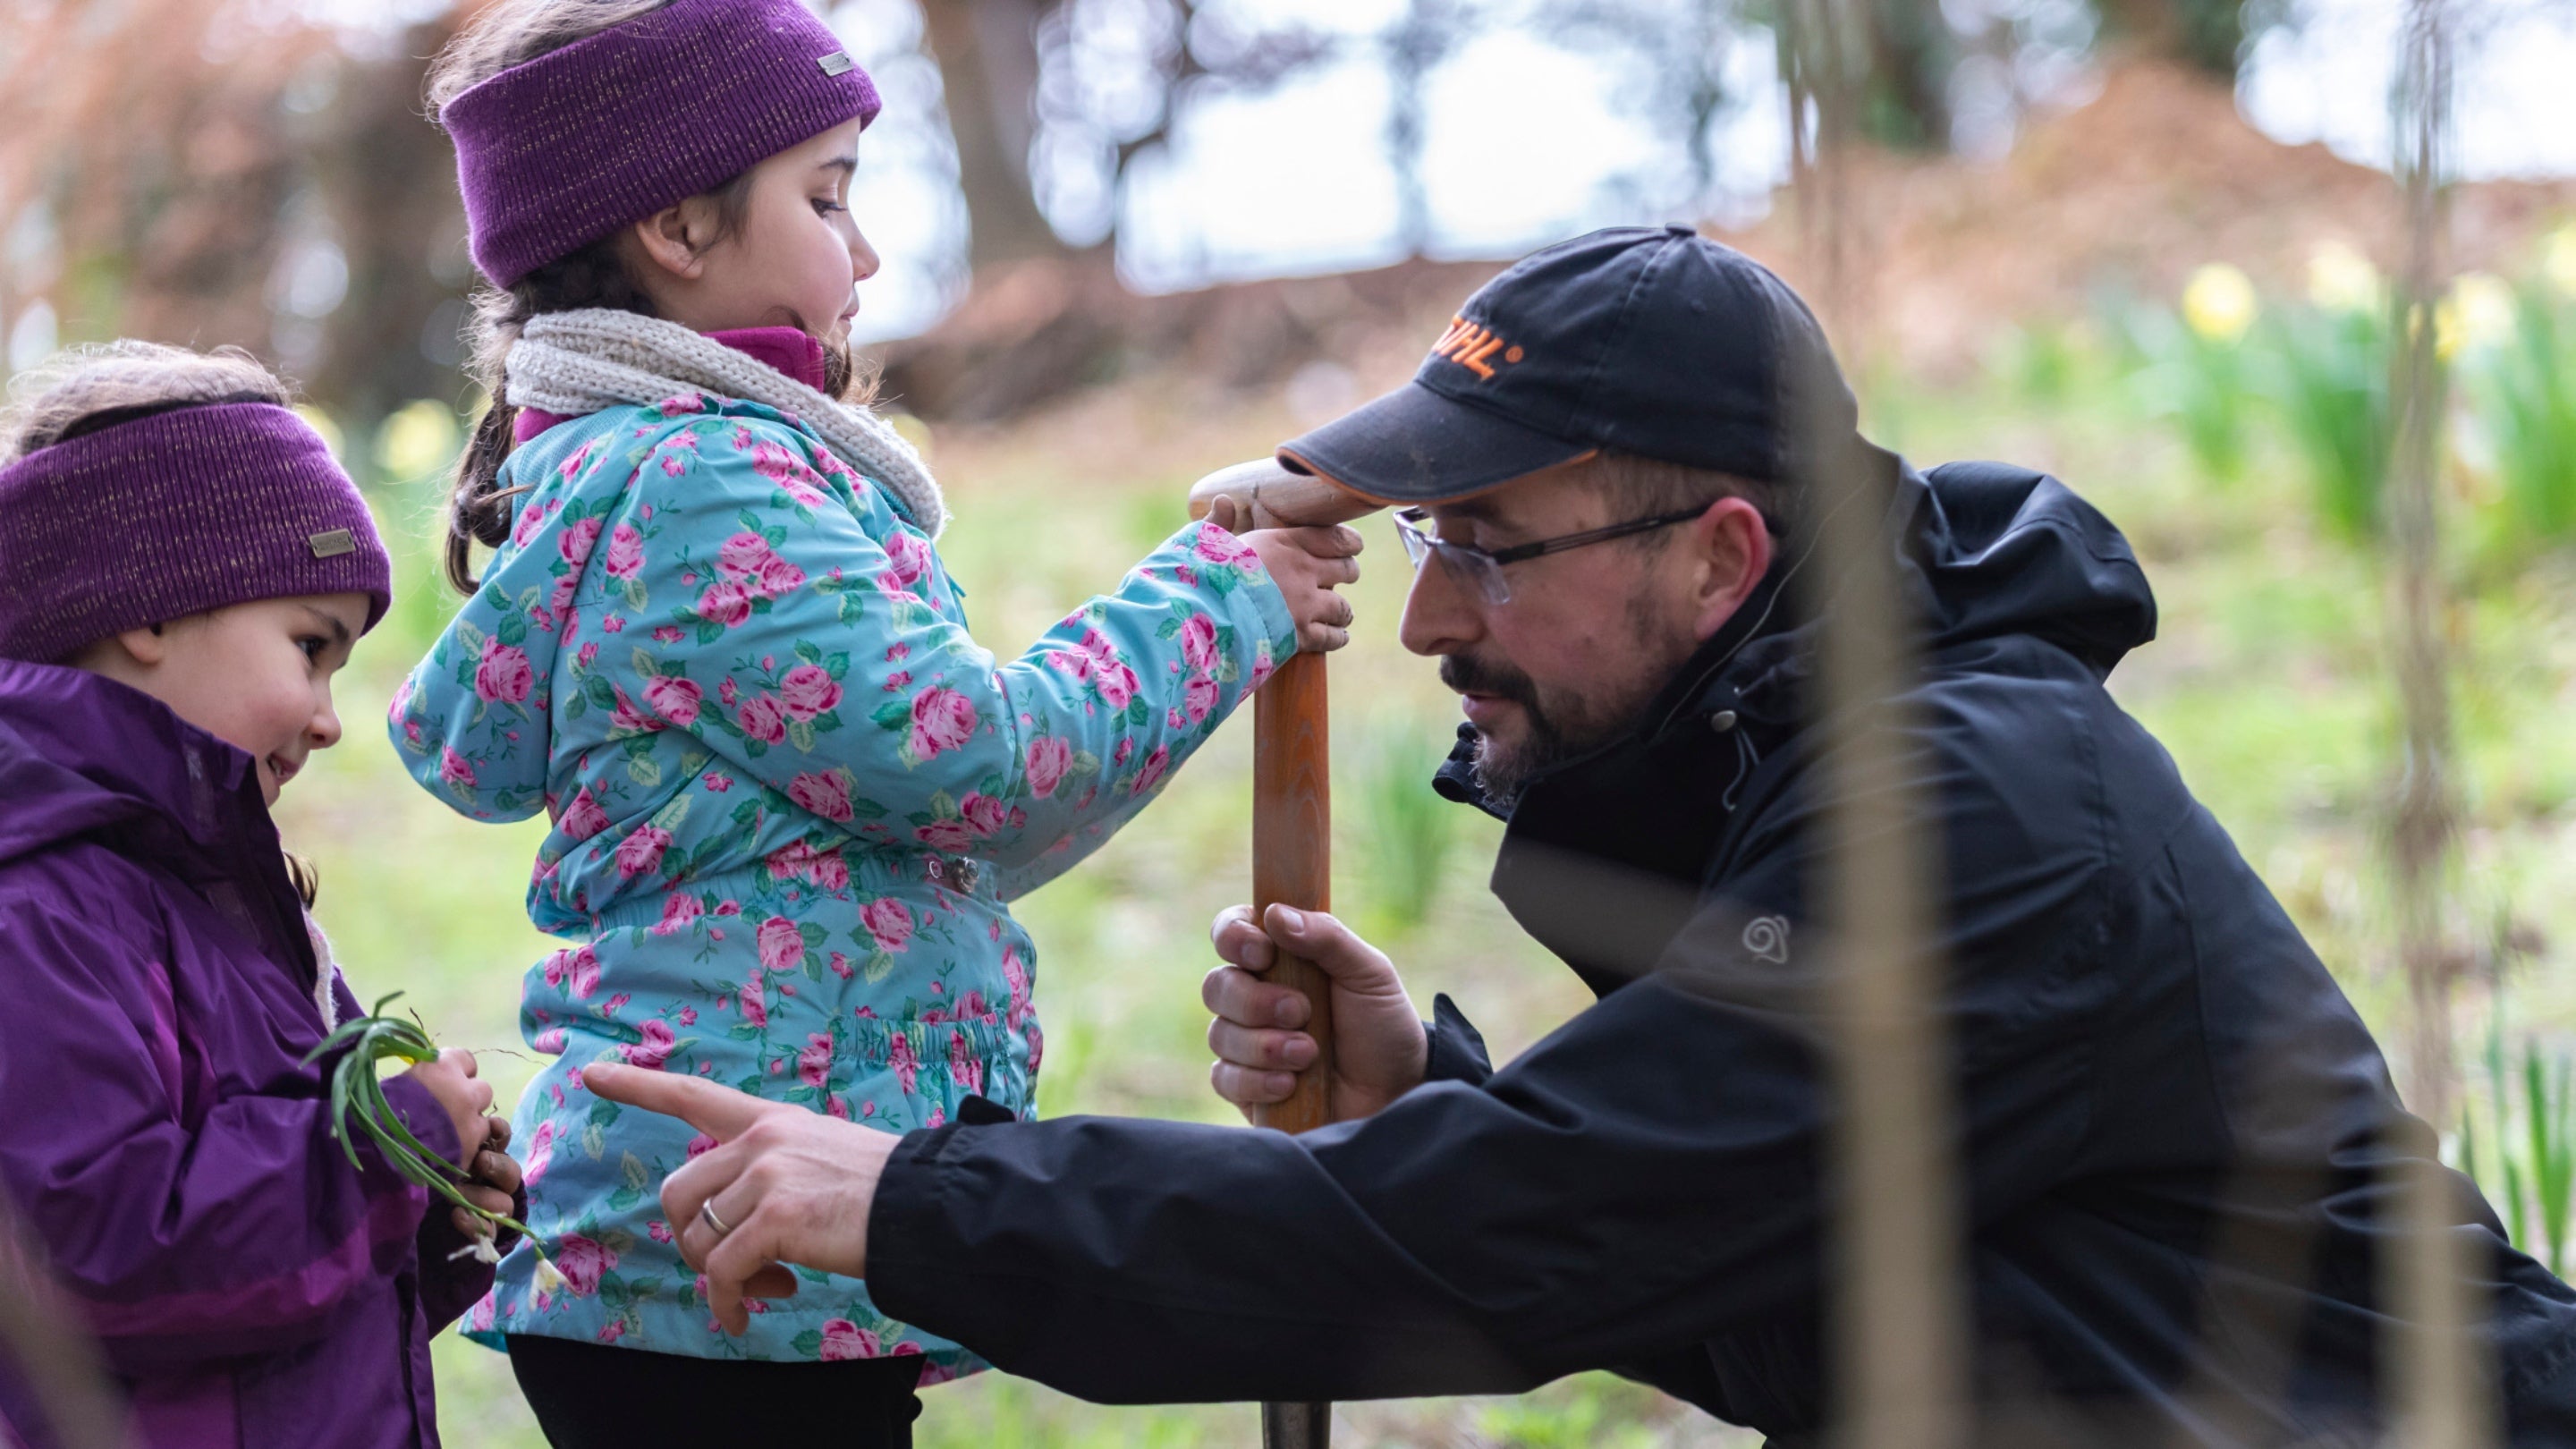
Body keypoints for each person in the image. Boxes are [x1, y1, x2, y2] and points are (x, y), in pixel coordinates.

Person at [586, 227, 2576, 1445]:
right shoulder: (1801, 759)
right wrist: (1422, 1092)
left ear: (1722, 556)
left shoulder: (1973, 815)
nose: (1432, 617)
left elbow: (1540, 1231)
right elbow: (1774, 1280)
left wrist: (928, 1201)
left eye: (1485, 547)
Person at [389, 1, 1362, 1442]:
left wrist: (1226, 629)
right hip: (722, 1256)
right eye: (828, 195)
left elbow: (945, 845)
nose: (869, 251)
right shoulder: (702, 482)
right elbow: (983, 769)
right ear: (677, 226)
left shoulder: (674, 473)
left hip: (727, 1250)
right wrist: (1223, 604)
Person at [0, 343, 521, 1449]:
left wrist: (427, 1214)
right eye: (308, 646)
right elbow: (101, 1265)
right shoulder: (41, 906)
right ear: (149, 611)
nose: (329, 715)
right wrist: (384, 1147)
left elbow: (260, 1328)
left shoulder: (222, 894)